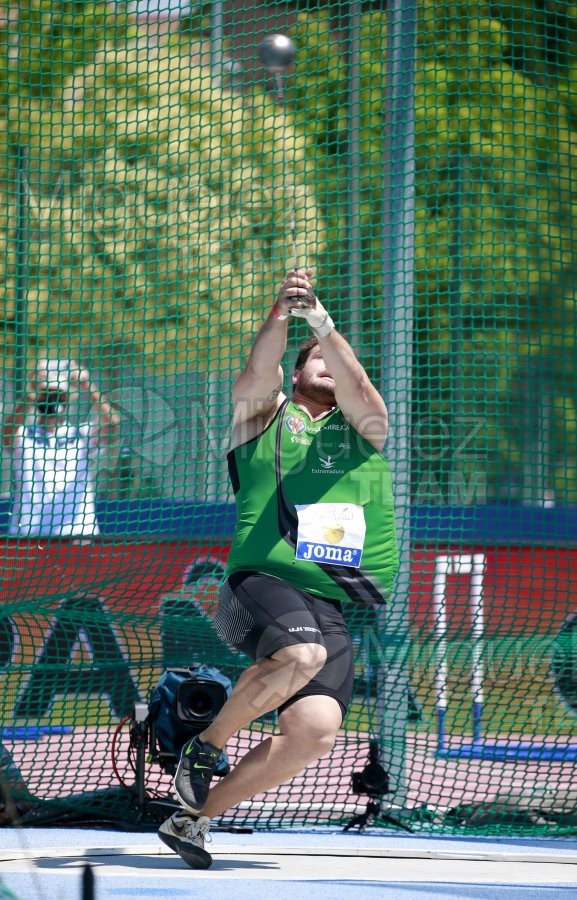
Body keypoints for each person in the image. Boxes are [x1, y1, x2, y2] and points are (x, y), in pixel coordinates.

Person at [158, 270, 399, 868]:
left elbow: (362, 386)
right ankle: (205, 748)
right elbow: (256, 373)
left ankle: (193, 819)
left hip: (330, 601)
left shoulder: (364, 431)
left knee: (315, 731)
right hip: (262, 581)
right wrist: (283, 315)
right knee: (302, 657)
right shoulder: (264, 420)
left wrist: (323, 323)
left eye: (335, 362)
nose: (329, 367)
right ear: (296, 374)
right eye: (314, 360)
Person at [3, 358, 120, 537]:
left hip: (77, 534)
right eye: (47, 394)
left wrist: (87, 386)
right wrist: (31, 392)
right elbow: (7, 432)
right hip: (30, 537)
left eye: (58, 394)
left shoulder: (82, 434)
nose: (52, 400)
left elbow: (113, 424)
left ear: (66, 400)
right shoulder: (25, 435)